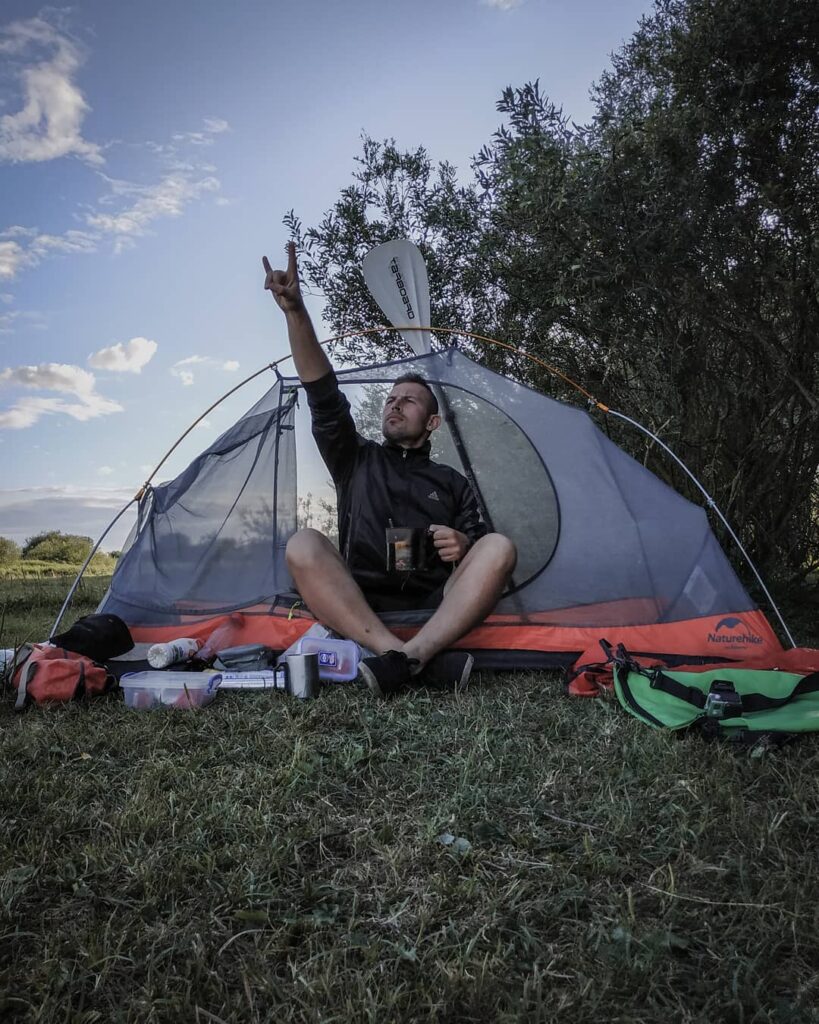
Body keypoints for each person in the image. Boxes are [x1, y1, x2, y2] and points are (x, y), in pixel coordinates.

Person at [263, 242, 517, 696]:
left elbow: (483, 554)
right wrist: (295, 313)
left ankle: (406, 657)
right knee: (302, 543)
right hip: (362, 605)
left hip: (434, 604)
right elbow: (323, 394)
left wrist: (464, 544)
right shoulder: (355, 458)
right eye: (390, 399)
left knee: (498, 547)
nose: (394, 404)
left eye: (409, 400)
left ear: (432, 422)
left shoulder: (451, 481)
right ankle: (405, 657)